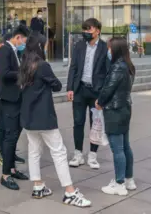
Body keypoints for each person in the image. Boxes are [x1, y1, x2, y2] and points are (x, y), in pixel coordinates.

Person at [19, 33, 92, 207]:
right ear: (39, 47)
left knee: (34, 150)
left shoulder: (24, 64)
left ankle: (38, 186)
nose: (46, 47)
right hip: (43, 116)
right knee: (58, 152)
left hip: (28, 116)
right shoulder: (42, 65)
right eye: (44, 45)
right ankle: (69, 191)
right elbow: (57, 85)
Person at [66, 18, 109, 169]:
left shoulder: (104, 48)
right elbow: (73, 67)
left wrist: (104, 94)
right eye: (84, 30)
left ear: (97, 30)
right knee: (78, 123)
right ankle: (78, 154)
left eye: (89, 29)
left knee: (95, 124)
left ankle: (92, 155)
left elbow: (108, 71)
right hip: (79, 89)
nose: (86, 33)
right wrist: (70, 88)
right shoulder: (79, 46)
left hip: (96, 91)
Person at [96, 37, 137, 196]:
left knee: (118, 149)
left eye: (109, 48)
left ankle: (119, 183)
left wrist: (100, 101)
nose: (108, 51)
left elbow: (108, 89)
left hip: (114, 110)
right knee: (125, 146)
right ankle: (129, 179)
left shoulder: (117, 67)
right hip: (125, 108)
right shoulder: (128, 66)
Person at [0, 24, 30, 190]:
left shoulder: (15, 51)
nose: (24, 43)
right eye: (23, 40)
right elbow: (4, 74)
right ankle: (5, 175)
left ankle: (12, 168)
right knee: (10, 136)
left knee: (15, 134)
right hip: (9, 100)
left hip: (16, 98)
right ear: (18, 37)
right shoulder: (5, 51)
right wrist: (23, 73)